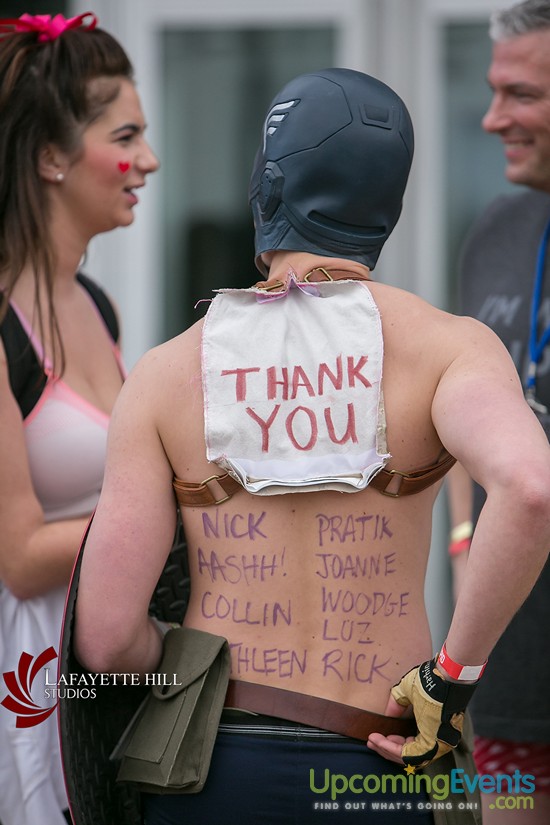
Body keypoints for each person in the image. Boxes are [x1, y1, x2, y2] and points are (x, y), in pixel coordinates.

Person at [74, 67, 550, 825]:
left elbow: (104, 639)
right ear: (387, 203)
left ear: (266, 190)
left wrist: (177, 658)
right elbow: (530, 488)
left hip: (208, 767)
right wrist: (449, 679)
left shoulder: (165, 375)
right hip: (379, 766)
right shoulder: (449, 349)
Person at [0, 11, 159, 825]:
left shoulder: (96, 304)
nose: (150, 161)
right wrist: (175, 512)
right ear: (52, 156)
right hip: (22, 674)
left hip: (98, 669)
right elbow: (23, 555)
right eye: (126, 136)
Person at [446, 1, 550, 821]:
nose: (492, 120)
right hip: (512, 676)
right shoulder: (493, 230)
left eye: (521, 94)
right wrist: (460, 542)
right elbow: (459, 417)